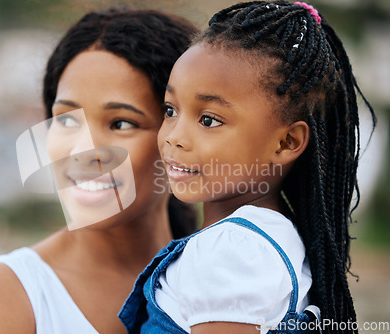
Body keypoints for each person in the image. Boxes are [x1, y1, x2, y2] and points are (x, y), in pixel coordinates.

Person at [119, 1, 376, 333]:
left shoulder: (231, 254)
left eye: (209, 119)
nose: (174, 137)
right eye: (170, 110)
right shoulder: (268, 237)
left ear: (286, 143)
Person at [0, 8, 198, 334]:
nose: (83, 151)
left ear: (177, 138)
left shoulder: (226, 281)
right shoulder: (4, 296)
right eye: (65, 120)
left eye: (121, 123)